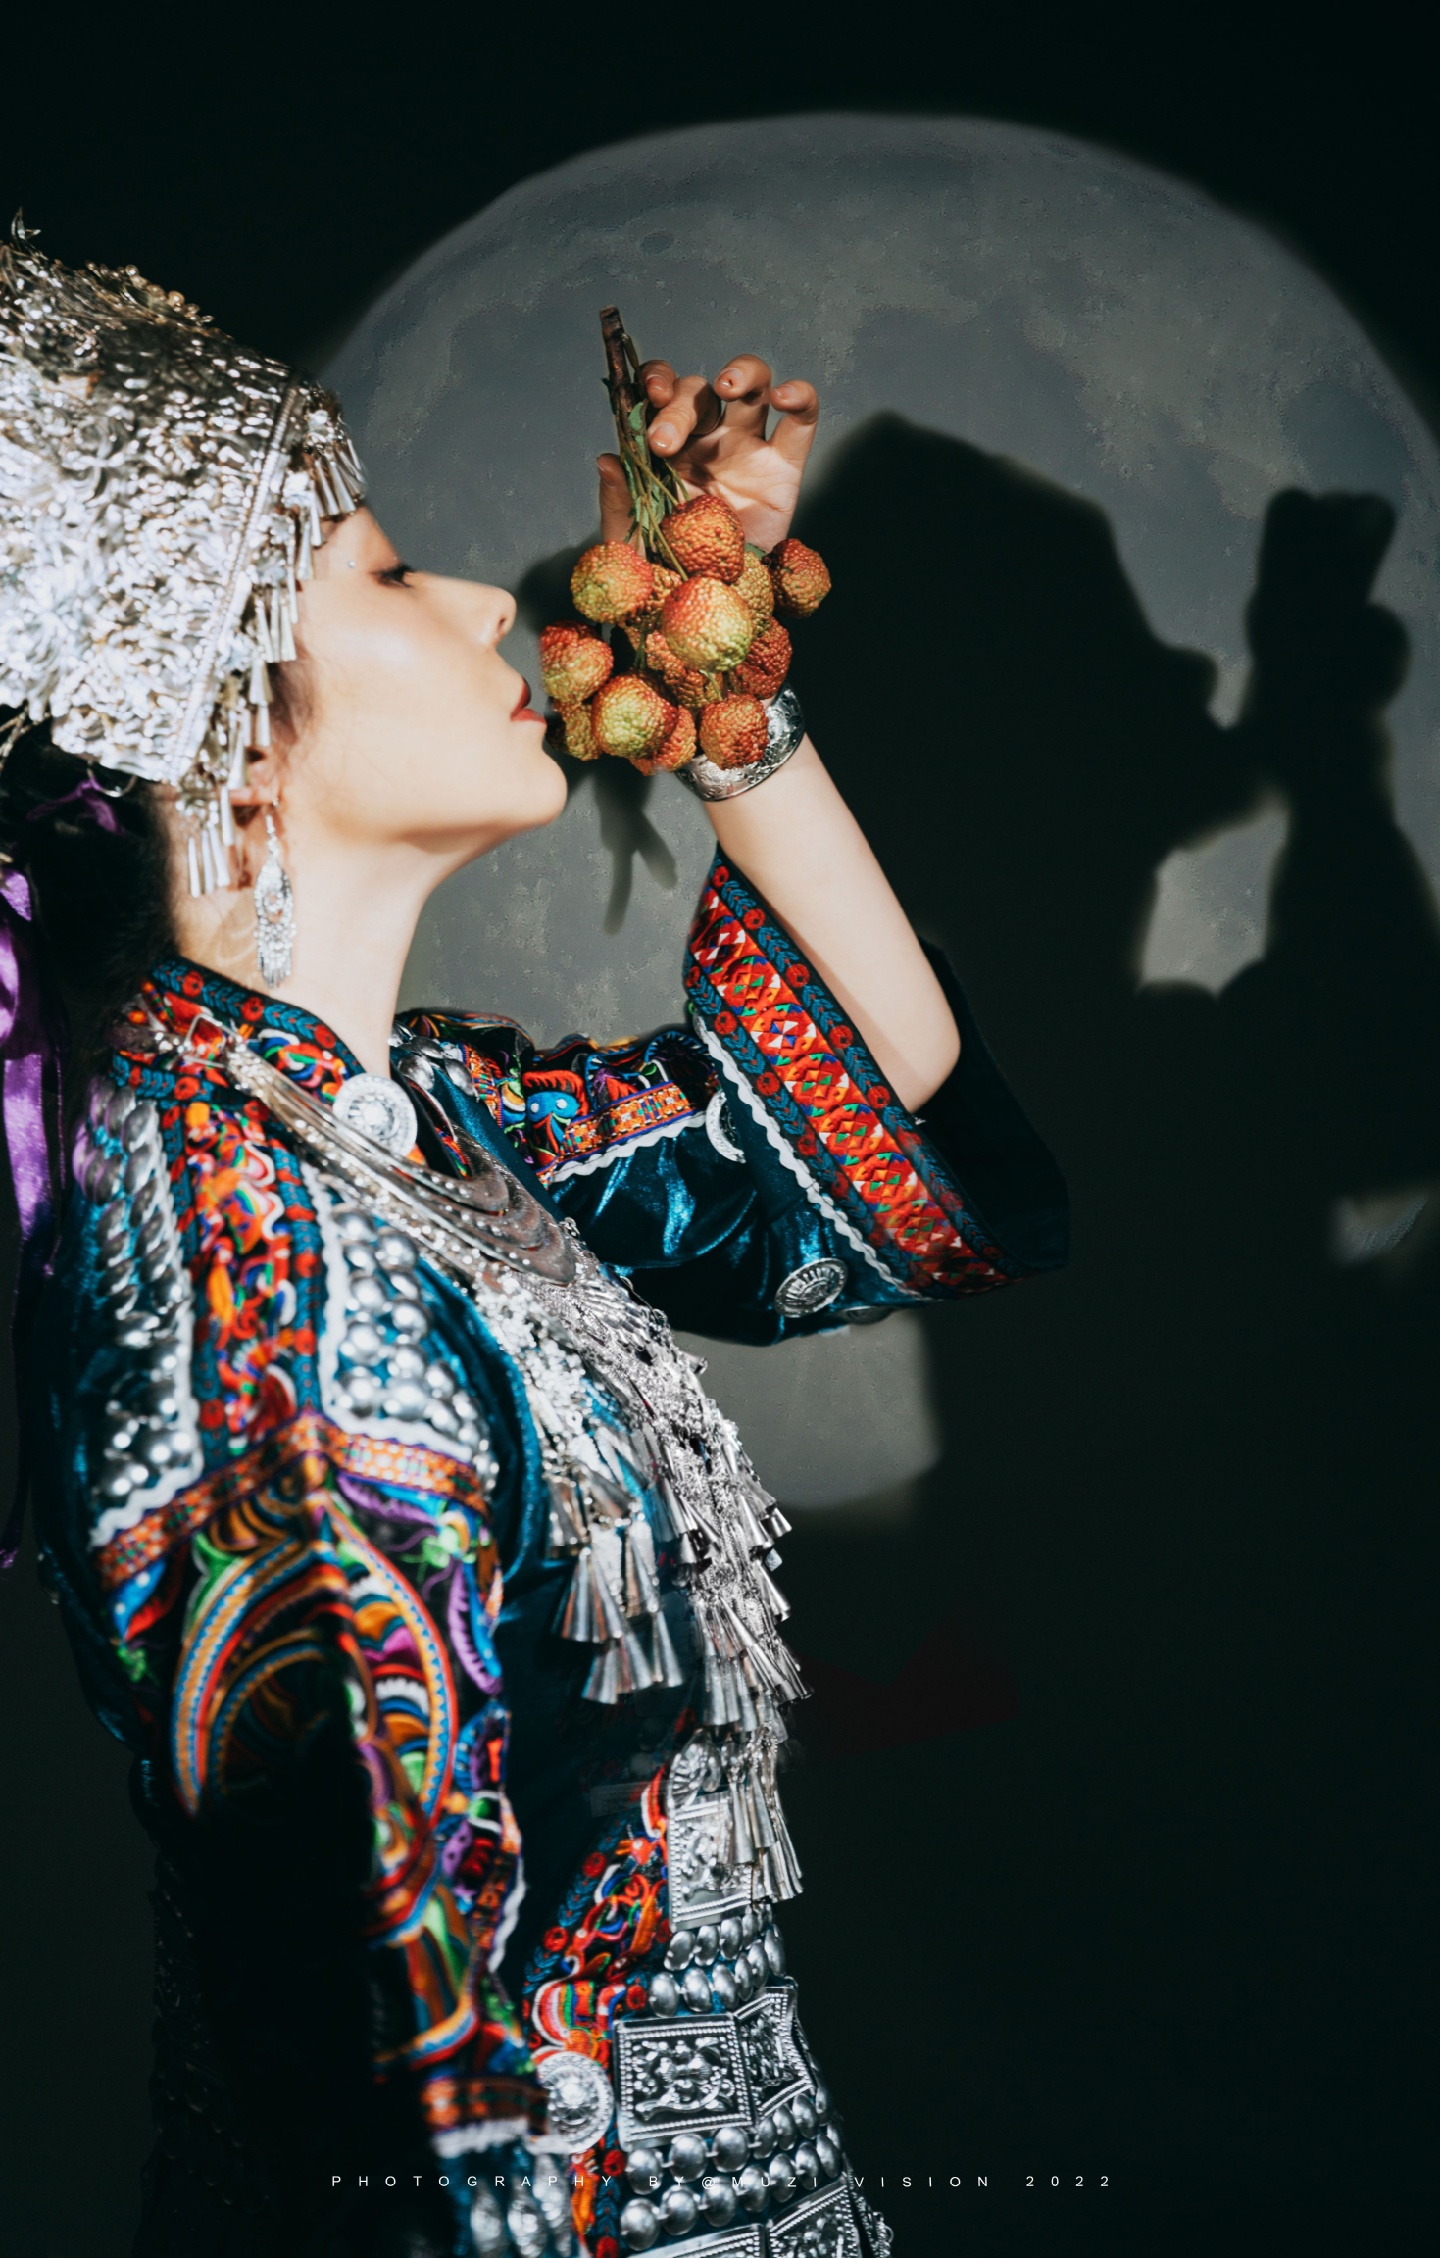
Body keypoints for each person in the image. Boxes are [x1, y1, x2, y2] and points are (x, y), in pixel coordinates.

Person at [0, 221, 1067, 2258]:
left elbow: (906, 1172)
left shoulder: (418, 1122)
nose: (494, 595)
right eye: (389, 573)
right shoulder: (243, 1267)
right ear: (223, 731)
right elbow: (392, 2091)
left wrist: (725, 701)